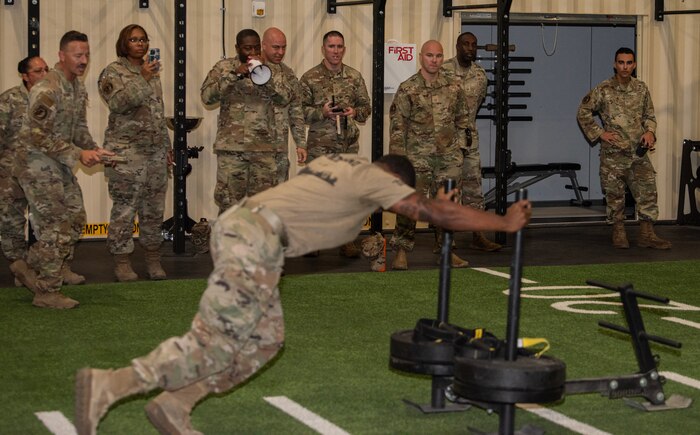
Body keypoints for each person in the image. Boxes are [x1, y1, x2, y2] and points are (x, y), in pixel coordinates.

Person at [74, 153, 532, 435]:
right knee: (213, 340)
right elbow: (432, 213)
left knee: (265, 339)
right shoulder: (375, 179)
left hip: (253, 234)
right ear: (395, 180)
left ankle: (176, 403)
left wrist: (436, 207)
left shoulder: (344, 162)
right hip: (255, 237)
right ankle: (110, 384)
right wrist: (503, 223)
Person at [13, 31, 115, 309]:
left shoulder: (76, 87)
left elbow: (78, 128)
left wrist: (94, 150)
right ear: (61, 56)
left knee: (76, 218)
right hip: (35, 164)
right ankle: (46, 292)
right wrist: (78, 154)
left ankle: (28, 266)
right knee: (55, 225)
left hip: (58, 163)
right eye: (77, 55)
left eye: (86, 55)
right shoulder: (47, 88)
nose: (83, 60)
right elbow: (37, 135)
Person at [98, 24, 173, 282]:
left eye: (143, 40)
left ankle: (153, 258)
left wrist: (167, 147)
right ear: (124, 43)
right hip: (125, 154)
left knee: (154, 209)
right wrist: (142, 77)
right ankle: (122, 261)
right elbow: (118, 103)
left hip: (154, 152)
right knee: (125, 209)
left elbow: (157, 113)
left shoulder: (152, 74)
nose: (140, 44)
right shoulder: (112, 72)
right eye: (134, 40)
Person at [577, 47, 671, 250]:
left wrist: (650, 132)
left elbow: (649, 116)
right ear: (615, 64)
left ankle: (647, 233)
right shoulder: (604, 89)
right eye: (621, 62)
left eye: (629, 63)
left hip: (638, 152)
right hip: (614, 154)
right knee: (615, 195)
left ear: (634, 65)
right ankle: (618, 232)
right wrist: (600, 133)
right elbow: (583, 112)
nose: (625, 67)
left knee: (647, 193)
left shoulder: (641, 88)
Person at [389, 39, 471, 270]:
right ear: (421, 57)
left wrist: (461, 150)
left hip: (447, 158)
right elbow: (397, 126)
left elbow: (463, 120)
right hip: (417, 159)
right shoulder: (408, 88)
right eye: (429, 56)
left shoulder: (453, 87)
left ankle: (447, 250)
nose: (434, 60)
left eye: (438, 56)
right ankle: (402, 251)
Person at [201, 29, 297, 215]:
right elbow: (207, 97)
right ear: (237, 48)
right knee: (229, 205)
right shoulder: (224, 67)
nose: (252, 53)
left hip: (264, 150)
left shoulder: (274, 69)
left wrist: (265, 76)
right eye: (247, 48)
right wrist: (234, 76)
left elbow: (285, 98)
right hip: (232, 151)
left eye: (255, 47)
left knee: (262, 207)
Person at [300, 30, 371, 258]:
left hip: (347, 146)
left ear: (344, 49)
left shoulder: (354, 76)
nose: (336, 51)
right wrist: (321, 112)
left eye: (340, 47)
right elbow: (298, 111)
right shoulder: (309, 78)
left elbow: (366, 108)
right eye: (331, 46)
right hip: (320, 145)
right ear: (323, 49)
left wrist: (355, 111)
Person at [442, 31, 502, 252]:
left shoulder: (480, 75)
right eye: (466, 44)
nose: (470, 48)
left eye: (474, 45)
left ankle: (478, 235)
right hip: (447, 139)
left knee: (474, 188)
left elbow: (476, 104)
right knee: (449, 188)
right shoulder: (444, 71)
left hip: (470, 139)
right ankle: (447, 239)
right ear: (457, 46)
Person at [0, 56, 48, 286]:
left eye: (46, 70)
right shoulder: (9, 100)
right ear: (25, 76)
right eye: (38, 71)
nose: (44, 74)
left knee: (52, 220)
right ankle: (19, 268)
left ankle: (35, 264)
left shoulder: (51, 100)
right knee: (11, 220)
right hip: (12, 171)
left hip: (43, 170)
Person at [261, 27, 307, 185]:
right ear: (264, 45)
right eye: (276, 47)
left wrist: (301, 143)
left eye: (283, 47)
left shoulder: (288, 74)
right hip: (253, 147)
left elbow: (296, 110)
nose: (280, 52)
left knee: (278, 195)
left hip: (279, 149)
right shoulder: (252, 70)